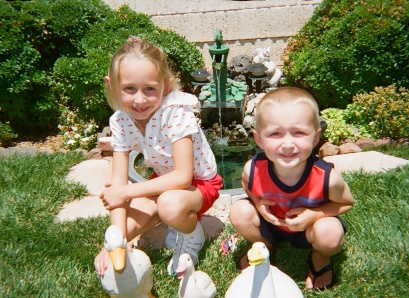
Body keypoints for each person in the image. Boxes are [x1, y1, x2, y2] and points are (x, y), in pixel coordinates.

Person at [94, 36, 223, 277]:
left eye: (150, 89)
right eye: (129, 88)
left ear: (166, 85)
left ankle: (192, 235)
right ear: (112, 86)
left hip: (200, 184)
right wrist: (114, 241)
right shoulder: (120, 121)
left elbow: (183, 177)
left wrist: (124, 192)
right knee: (126, 228)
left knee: (169, 205)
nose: (140, 99)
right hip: (165, 182)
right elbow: (118, 186)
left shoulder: (175, 113)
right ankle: (165, 223)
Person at [229, 86, 354, 290]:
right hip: (272, 224)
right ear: (259, 139)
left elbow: (347, 203)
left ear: (315, 137)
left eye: (298, 132)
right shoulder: (253, 169)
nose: (288, 144)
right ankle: (264, 244)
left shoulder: (327, 177)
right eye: (276, 133)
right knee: (239, 211)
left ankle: (320, 259)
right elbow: (246, 184)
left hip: (309, 229)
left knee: (330, 233)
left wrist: (315, 215)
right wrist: (259, 203)